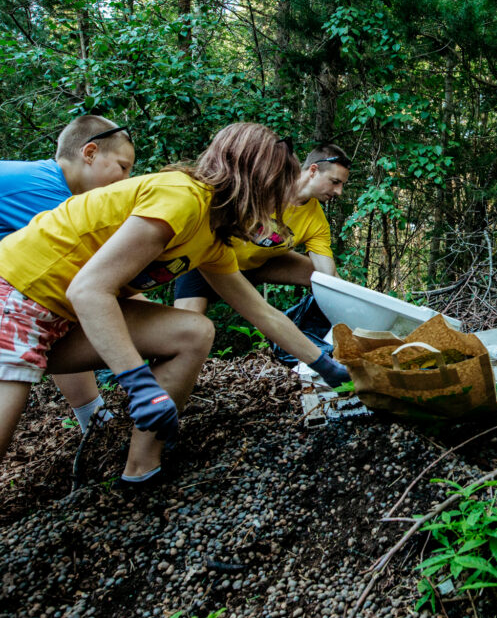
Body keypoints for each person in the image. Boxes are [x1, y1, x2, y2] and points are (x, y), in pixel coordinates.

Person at [0, 122, 349, 489]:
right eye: (275, 192)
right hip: (18, 293)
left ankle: (141, 474)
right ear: (254, 181)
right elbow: (89, 291)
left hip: (65, 318)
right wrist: (138, 384)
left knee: (192, 331)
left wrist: (325, 366)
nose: (281, 207)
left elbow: (261, 312)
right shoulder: (182, 197)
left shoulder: (213, 238)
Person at [0, 115, 136, 434]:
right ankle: (94, 420)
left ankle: (93, 418)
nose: (127, 179)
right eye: (122, 167)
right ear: (89, 153)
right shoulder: (45, 192)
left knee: (54, 299)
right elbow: (105, 277)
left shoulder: (53, 186)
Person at [173, 144, 350, 314]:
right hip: (209, 255)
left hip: (258, 264)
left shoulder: (317, 221)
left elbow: (328, 275)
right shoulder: (268, 183)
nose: (339, 191)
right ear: (313, 170)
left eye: (342, 185)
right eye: (335, 182)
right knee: (186, 328)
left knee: (321, 278)